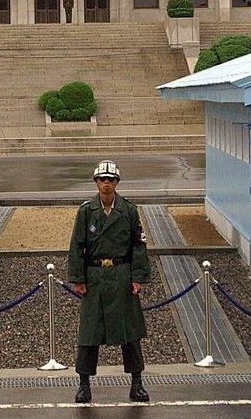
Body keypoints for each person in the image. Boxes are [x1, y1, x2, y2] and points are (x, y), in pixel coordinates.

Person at [68, 160, 151, 403]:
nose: (106, 184)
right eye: (102, 179)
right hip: (94, 277)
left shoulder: (128, 210)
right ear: (95, 181)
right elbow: (77, 245)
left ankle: (137, 383)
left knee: (130, 333)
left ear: (117, 183)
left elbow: (138, 244)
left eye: (111, 180)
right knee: (89, 334)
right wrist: (77, 277)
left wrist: (138, 276)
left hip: (121, 276)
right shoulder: (86, 211)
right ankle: (84, 385)